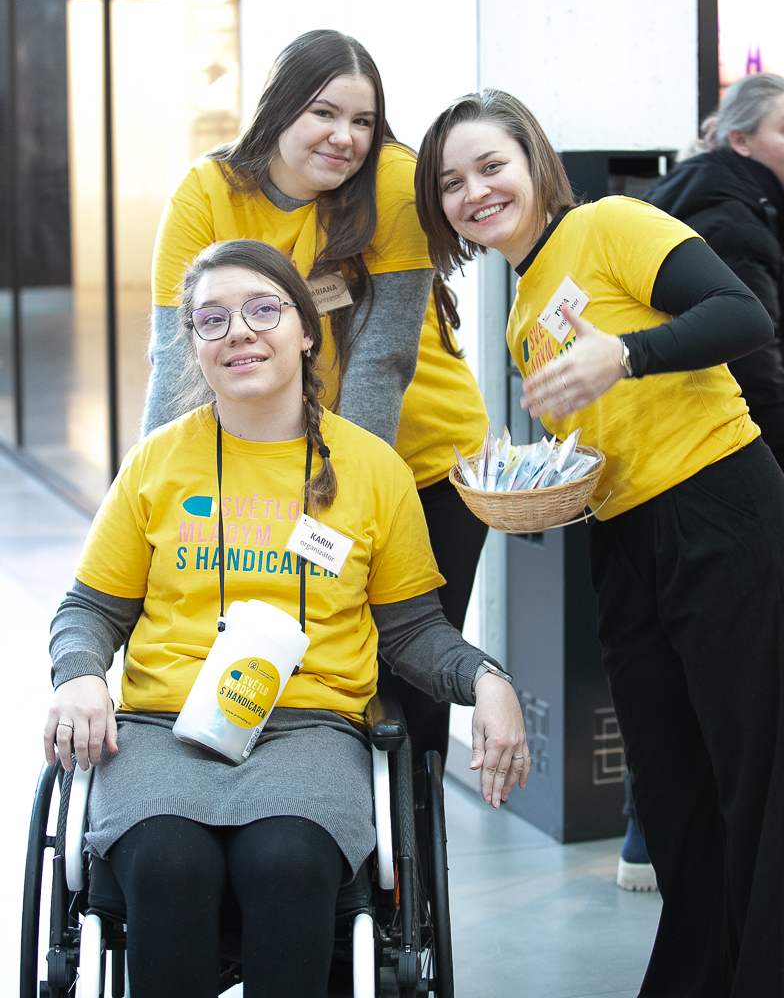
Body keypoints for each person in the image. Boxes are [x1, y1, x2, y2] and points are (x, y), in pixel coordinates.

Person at [44, 240, 528, 998]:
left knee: (288, 863)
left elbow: (411, 632)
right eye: (212, 319)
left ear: (305, 330)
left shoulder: (373, 469)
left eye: (262, 310)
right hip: (162, 730)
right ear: (194, 346)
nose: (238, 331)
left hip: (310, 732)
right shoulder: (157, 463)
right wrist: (78, 676)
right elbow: (89, 609)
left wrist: (485, 679)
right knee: (169, 864)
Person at [413, 89, 784, 998]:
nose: (475, 192)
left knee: (765, 788)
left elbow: (741, 314)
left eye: (491, 166)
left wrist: (626, 355)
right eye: (451, 183)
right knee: (675, 800)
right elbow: (602, 440)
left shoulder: (611, 225)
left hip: (724, 514)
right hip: (627, 543)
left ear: (533, 162)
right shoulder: (520, 312)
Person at [143, 29, 489, 768]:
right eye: (323, 113)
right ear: (279, 107)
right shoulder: (207, 192)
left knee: (403, 679)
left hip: (419, 463)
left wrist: (343, 489)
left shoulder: (392, 182)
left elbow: (382, 359)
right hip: (282, 463)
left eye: (363, 120)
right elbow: (176, 362)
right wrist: (155, 493)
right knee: (284, 659)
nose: (345, 138)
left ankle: (401, 829)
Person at [646, 73, 784, 509]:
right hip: (717, 460)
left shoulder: (727, 200)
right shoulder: (731, 222)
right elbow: (752, 364)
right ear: (740, 140)